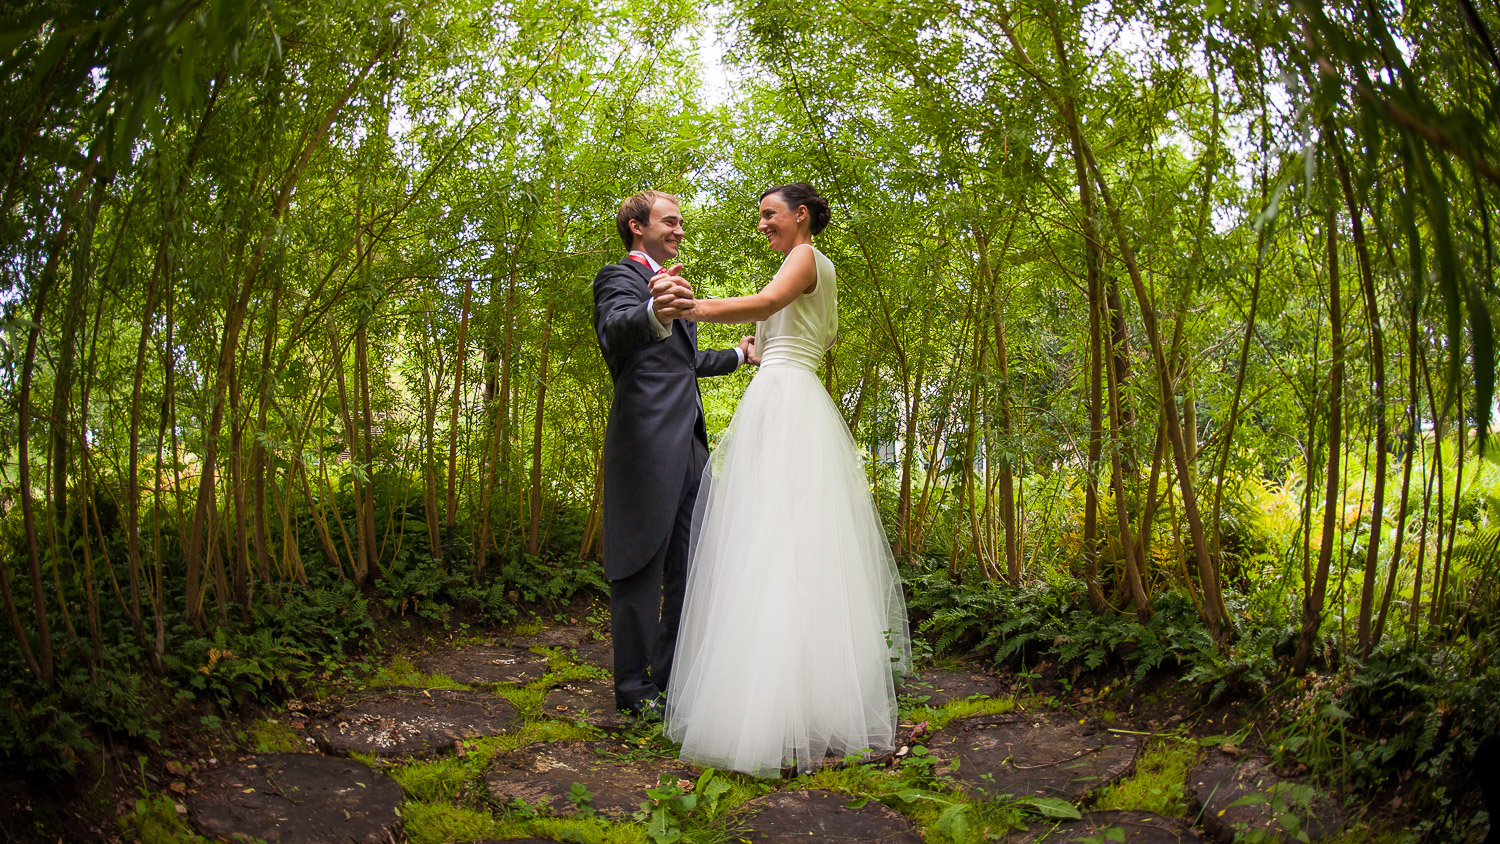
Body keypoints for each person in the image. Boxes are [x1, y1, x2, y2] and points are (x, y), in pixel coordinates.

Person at [664, 182, 911, 777]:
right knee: (785, 546)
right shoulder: (813, 270)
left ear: (801, 217)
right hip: (789, 396)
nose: (763, 225)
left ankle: (775, 713)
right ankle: (794, 704)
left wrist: (690, 308)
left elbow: (770, 302)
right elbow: (798, 328)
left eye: (769, 215)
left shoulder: (803, 257)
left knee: (777, 544)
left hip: (787, 404)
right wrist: (754, 347)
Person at [591, 190, 756, 718]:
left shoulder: (673, 283)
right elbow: (615, 330)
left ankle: (668, 681)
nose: (680, 229)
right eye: (670, 221)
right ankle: (633, 691)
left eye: (681, 222)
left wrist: (738, 354)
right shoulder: (619, 278)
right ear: (637, 227)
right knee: (640, 565)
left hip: (691, 446)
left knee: (692, 564)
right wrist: (653, 310)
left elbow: (684, 363)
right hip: (643, 446)